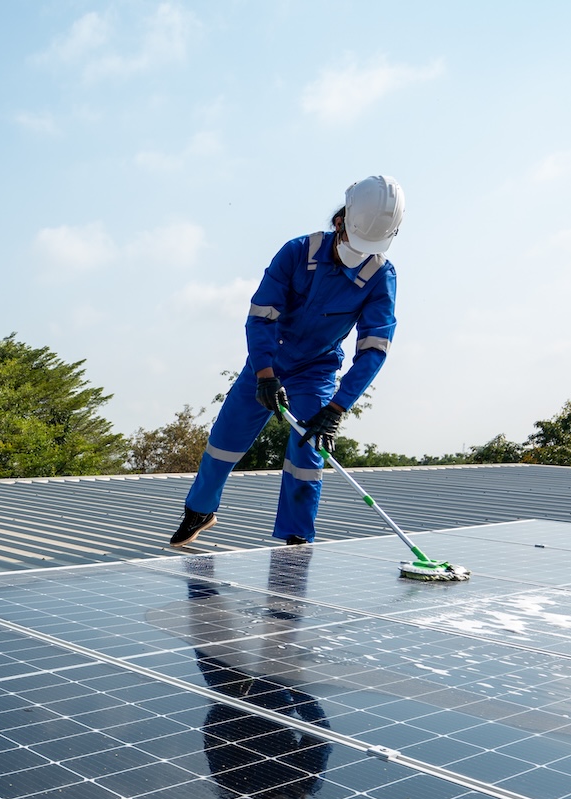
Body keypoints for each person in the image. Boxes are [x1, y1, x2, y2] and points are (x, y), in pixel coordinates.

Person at [170, 175, 403, 549]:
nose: (358, 254)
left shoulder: (381, 276)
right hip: (269, 362)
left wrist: (338, 407)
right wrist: (264, 374)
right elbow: (262, 316)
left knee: (308, 452)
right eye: (353, 243)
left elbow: (374, 348)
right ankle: (200, 510)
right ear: (340, 223)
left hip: (317, 370)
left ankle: (295, 538)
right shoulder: (297, 252)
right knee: (224, 441)